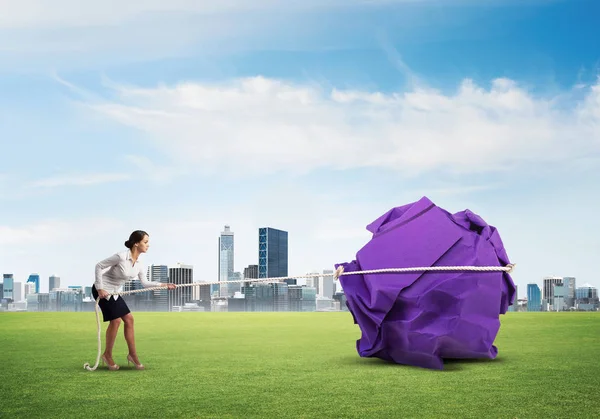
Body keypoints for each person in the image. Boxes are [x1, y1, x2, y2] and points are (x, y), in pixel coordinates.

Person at [92, 230, 176, 371]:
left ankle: (132, 354)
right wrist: (100, 288)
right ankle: (107, 355)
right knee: (116, 320)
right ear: (136, 243)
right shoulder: (121, 256)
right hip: (102, 291)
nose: (148, 245)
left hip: (115, 293)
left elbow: (145, 283)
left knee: (129, 319)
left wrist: (164, 285)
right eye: (145, 242)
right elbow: (99, 266)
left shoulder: (139, 263)